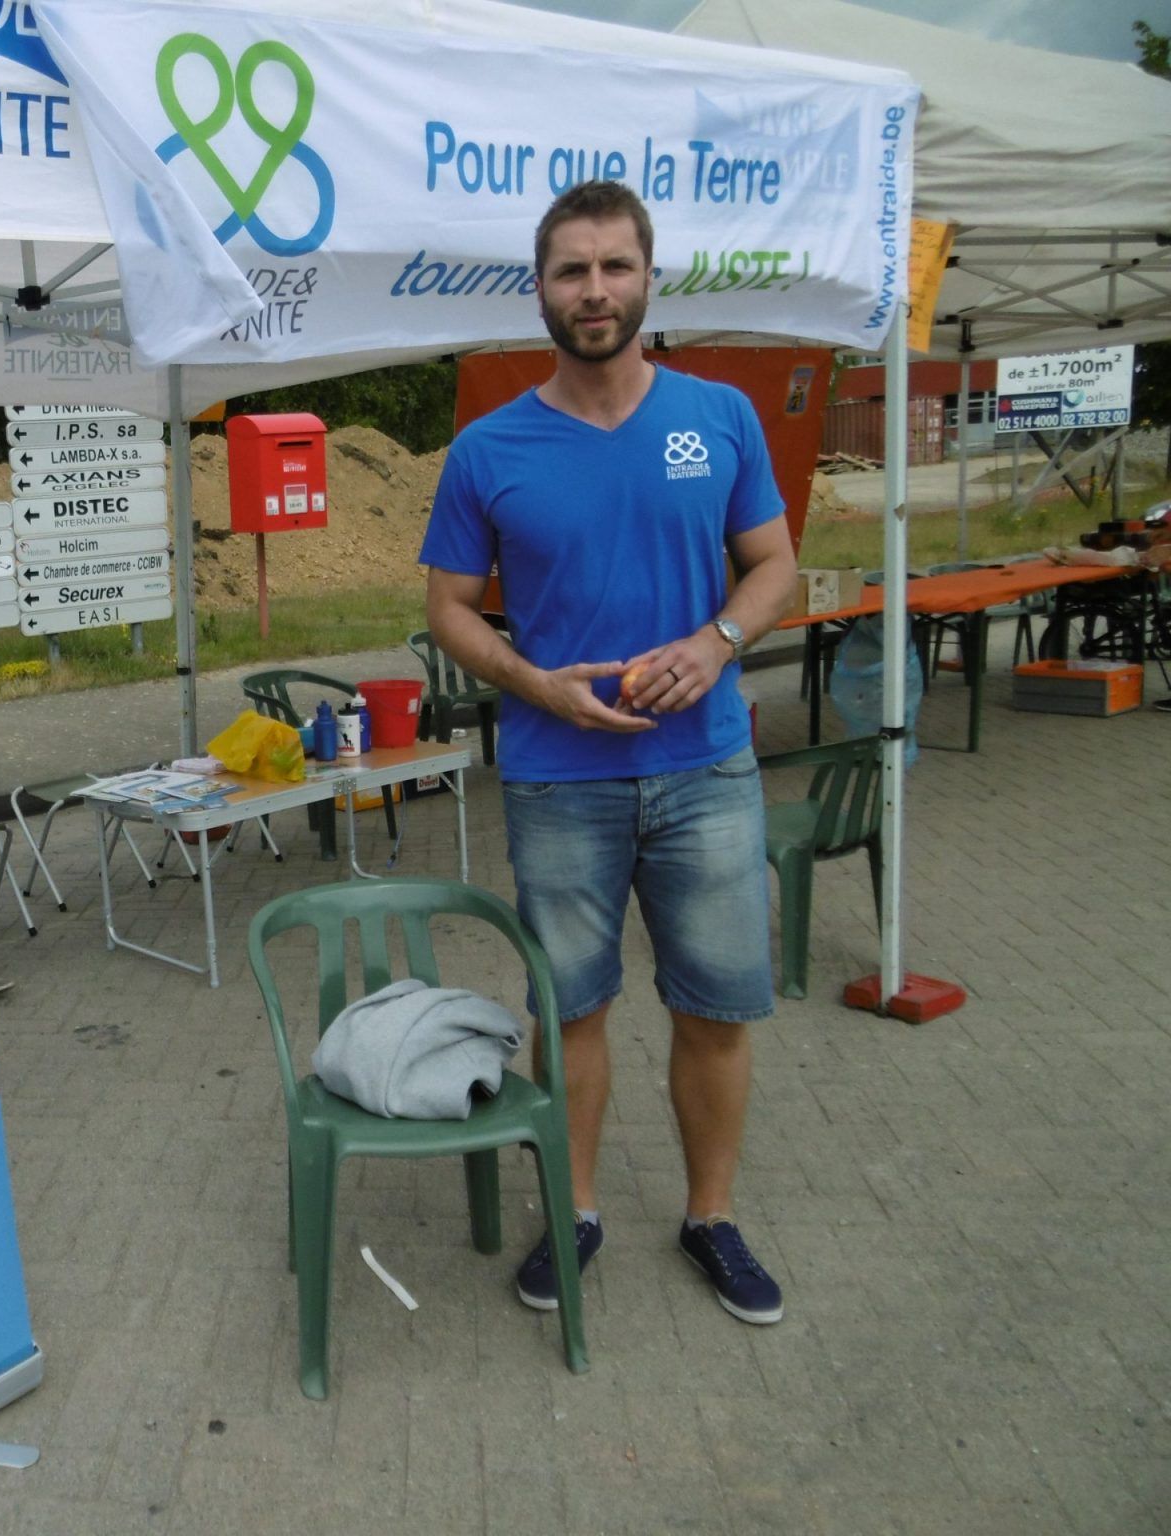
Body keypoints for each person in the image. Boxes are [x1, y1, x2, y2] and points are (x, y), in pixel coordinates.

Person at [421, 180, 798, 1326]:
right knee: (570, 1011)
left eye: (612, 266)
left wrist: (716, 640)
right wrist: (533, 683)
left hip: (704, 773)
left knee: (715, 1010)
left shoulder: (718, 417)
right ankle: (574, 1212)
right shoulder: (486, 449)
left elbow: (773, 566)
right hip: (556, 779)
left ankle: (710, 1218)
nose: (593, 289)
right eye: (570, 270)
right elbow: (447, 608)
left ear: (646, 277)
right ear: (539, 289)